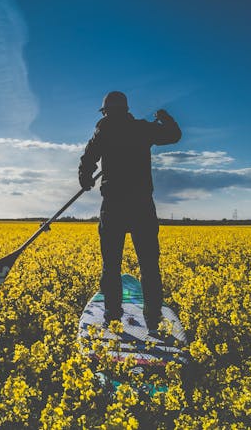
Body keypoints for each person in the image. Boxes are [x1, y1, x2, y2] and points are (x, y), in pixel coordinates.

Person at [79, 90, 181, 332]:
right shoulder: (142, 129)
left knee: (111, 265)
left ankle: (112, 317)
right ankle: (153, 318)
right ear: (125, 110)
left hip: (113, 205)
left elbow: (88, 158)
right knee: (149, 264)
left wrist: (85, 178)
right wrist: (164, 117)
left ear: (106, 112)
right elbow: (174, 135)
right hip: (141, 205)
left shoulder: (103, 130)